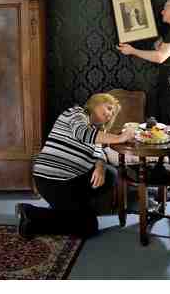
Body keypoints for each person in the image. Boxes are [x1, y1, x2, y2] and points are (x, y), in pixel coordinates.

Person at [15, 93, 136, 239]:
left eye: (113, 113)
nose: (110, 114)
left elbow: (100, 153)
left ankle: (41, 214)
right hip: (51, 180)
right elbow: (82, 133)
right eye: (109, 108)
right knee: (88, 228)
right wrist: (120, 138)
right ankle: (31, 213)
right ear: (96, 102)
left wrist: (100, 166)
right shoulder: (76, 113)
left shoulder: (98, 132)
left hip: (71, 181)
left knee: (110, 174)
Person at [117, 0, 170, 127]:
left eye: (165, 8)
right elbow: (162, 52)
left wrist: (132, 50)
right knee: (169, 124)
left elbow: (160, 57)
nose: (162, 12)